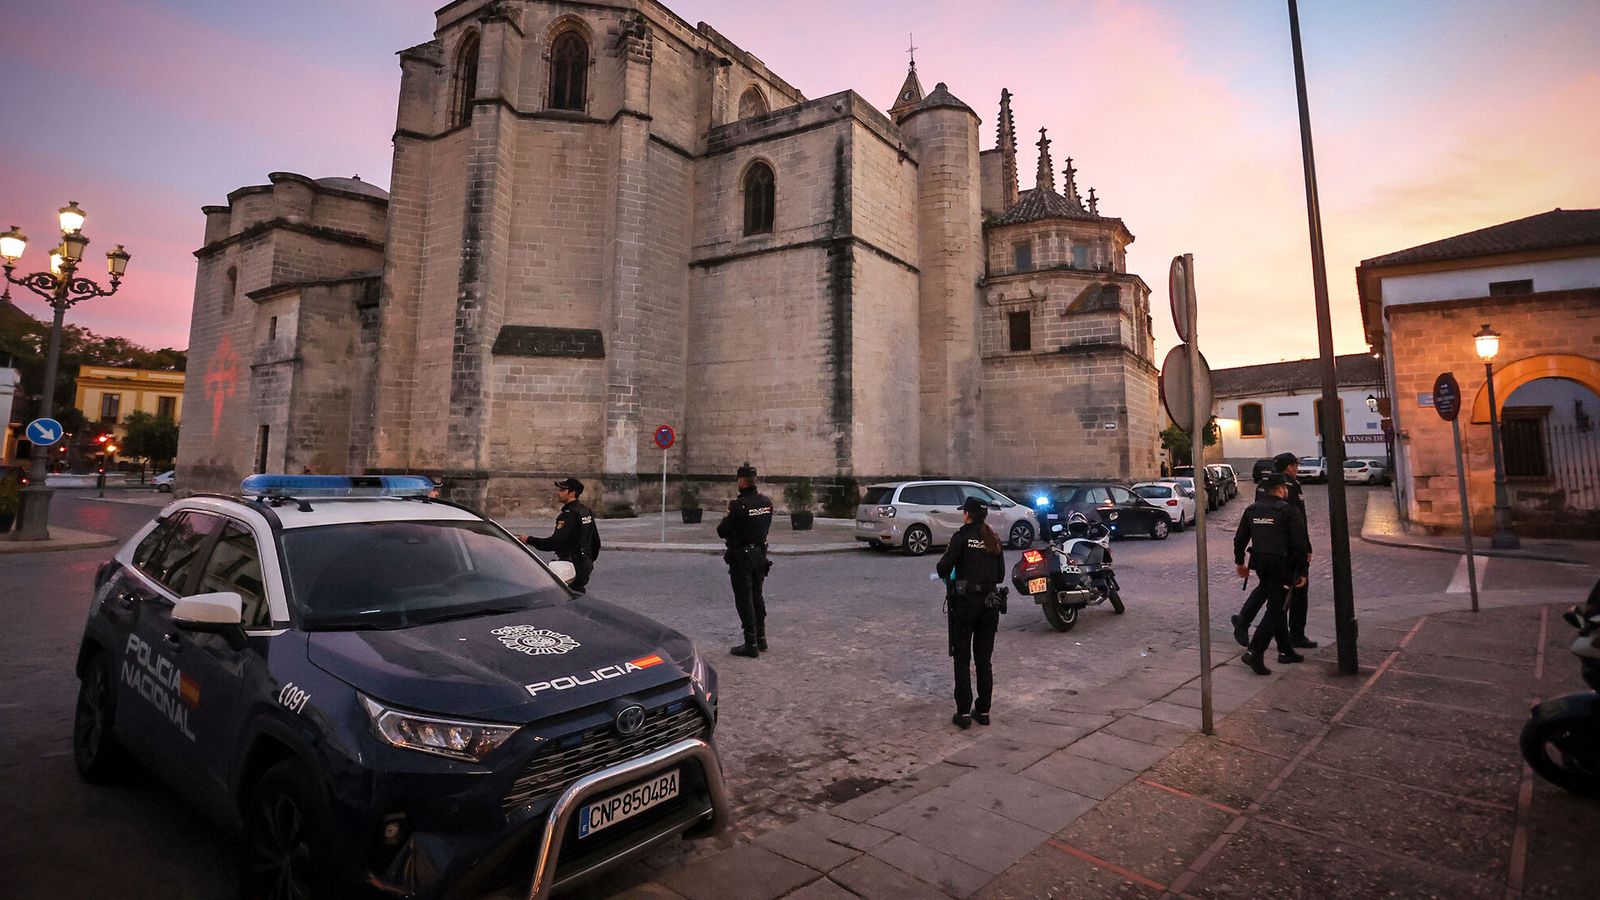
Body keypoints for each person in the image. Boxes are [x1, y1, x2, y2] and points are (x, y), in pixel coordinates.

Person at [1233, 451, 1318, 649]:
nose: (1297, 469)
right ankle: (1291, 637)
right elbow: (1299, 521)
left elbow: (1250, 524)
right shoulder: (1291, 486)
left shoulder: (1263, 485)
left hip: (1263, 550)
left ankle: (1248, 623)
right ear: (1289, 467)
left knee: (1267, 589)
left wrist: (1240, 560)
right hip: (1286, 552)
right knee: (1291, 594)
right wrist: (1306, 549)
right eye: (1296, 465)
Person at [936, 496, 1006, 729]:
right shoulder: (993, 539)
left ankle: (964, 712)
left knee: (962, 658)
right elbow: (1000, 576)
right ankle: (983, 710)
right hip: (989, 604)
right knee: (984, 661)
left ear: (967, 514)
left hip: (966, 604)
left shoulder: (961, 537)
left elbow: (942, 567)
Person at [717, 463, 773, 658]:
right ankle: (762, 637)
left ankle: (750, 642)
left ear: (741, 481)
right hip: (760, 555)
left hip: (742, 557)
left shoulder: (738, 506)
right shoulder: (766, 503)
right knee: (757, 595)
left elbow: (721, 531)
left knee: (744, 598)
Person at [522, 477, 600, 593]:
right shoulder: (585, 511)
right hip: (584, 563)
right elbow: (595, 542)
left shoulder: (568, 515)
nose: (558, 493)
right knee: (577, 593)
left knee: (562, 596)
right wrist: (587, 561)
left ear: (572, 493)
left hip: (570, 565)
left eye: (562, 490)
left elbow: (554, 542)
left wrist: (529, 539)